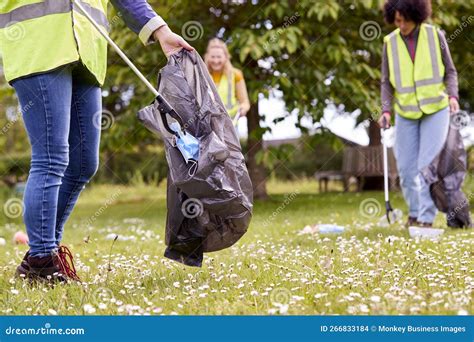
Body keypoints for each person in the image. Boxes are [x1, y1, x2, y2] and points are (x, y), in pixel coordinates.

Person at [0, 0, 193, 283]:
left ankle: (40, 257)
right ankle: (42, 260)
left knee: (83, 163)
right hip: (38, 44)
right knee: (51, 158)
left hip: (88, 51)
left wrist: (160, 31)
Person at [378, 0, 460, 228]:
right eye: (396, 20)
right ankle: (413, 213)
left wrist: (453, 96)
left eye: (403, 19)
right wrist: (385, 110)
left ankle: (426, 218)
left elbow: (451, 72)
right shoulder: (390, 43)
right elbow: (386, 82)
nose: (400, 24)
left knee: (426, 165)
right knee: (405, 167)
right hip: (405, 112)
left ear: (416, 14)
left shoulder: (436, 36)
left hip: (435, 109)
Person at [204, 38, 250, 120]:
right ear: (207, 57)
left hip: (231, 123)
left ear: (226, 57)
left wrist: (243, 108)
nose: (216, 60)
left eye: (219, 57)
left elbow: (245, 103)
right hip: (208, 124)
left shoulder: (236, 75)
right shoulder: (202, 75)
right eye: (213, 57)